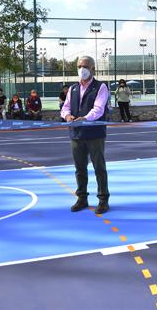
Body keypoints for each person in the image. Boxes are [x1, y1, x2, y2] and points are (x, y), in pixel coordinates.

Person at [61, 56, 110, 214]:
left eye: (85, 66)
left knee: (99, 168)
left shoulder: (101, 87)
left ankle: (103, 200)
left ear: (93, 69)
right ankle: (82, 197)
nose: (82, 69)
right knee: (79, 168)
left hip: (95, 134)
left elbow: (99, 109)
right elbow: (65, 107)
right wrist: (67, 116)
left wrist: (85, 118)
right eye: (79, 66)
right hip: (76, 134)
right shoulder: (73, 89)